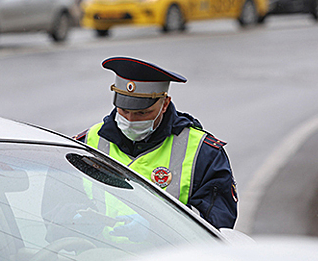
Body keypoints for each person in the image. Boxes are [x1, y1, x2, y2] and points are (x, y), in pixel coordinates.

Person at [74, 56, 238, 229]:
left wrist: (157, 227)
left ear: (165, 103)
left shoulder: (203, 153)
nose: (130, 120)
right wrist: (72, 216)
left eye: (142, 113)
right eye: (124, 110)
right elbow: (59, 201)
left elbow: (217, 225)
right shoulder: (88, 142)